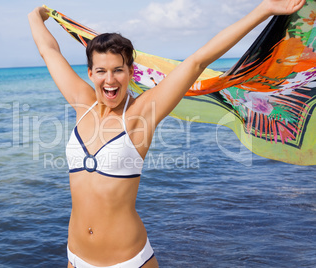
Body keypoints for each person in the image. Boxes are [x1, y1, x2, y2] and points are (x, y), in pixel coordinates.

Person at [28, 1, 305, 267]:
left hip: (127, 261)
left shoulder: (142, 113)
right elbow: (48, 51)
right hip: (76, 257)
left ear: (130, 72)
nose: (109, 80)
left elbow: (197, 61)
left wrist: (264, 9)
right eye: (101, 71)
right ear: (90, 73)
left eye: (118, 70)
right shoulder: (82, 104)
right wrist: (37, 14)